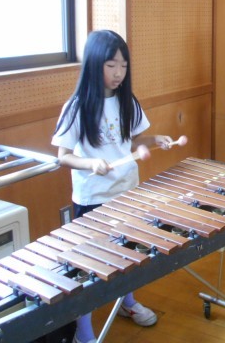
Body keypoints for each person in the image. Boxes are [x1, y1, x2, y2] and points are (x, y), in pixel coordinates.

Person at [52, 30, 173, 343]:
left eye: (123, 65)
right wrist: (90, 162)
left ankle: (127, 302)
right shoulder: (77, 106)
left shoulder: (126, 100)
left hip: (127, 191)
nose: (119, 73)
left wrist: (154, 140)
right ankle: (83, 331)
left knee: (126, 255)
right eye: (111, 65)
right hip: (93, 198)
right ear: (95, 65)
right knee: (88, 265)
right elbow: (63, 156)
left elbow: (131, 141)